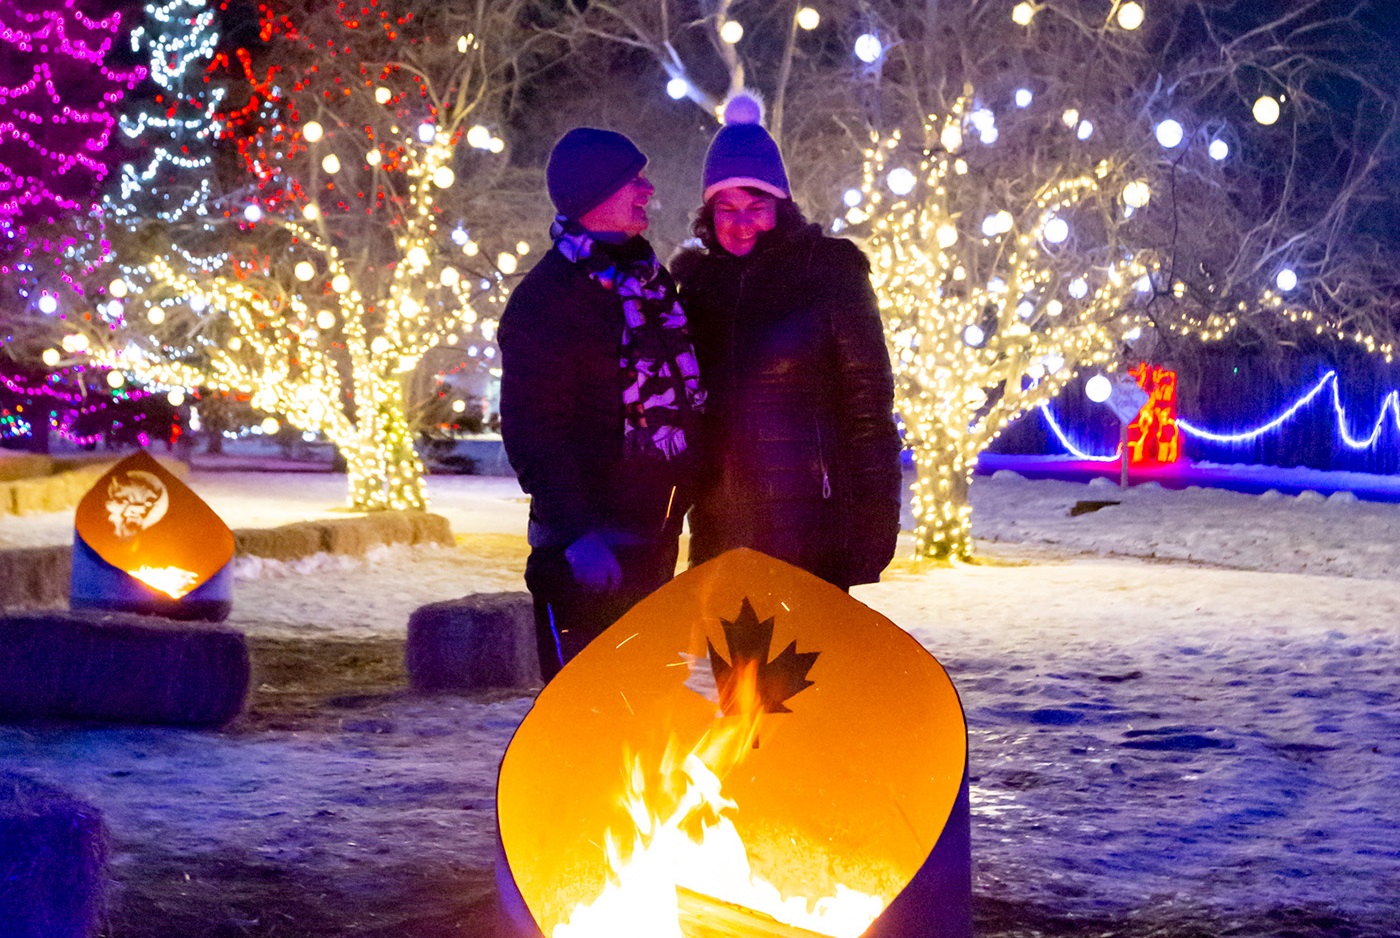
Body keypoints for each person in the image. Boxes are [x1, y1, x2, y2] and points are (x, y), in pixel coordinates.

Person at [498, 128, 707, 681]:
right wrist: (576, 533)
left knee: (651, 706)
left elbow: (683, 400)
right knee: (587, 705)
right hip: (586, 554)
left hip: (652, 536)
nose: (647, 189)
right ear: (595, 194)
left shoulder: (648, 282)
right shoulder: (547, 299)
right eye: (633, 180)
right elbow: (533, 430)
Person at [672, 94, 902, 590]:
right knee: (733, 669)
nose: (740, 223)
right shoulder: (696, 287)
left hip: (812, 530)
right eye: (725, 209)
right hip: (720, 528)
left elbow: (868, 407)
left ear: (782, 205)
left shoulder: (829, 271)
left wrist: (876, 519)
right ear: (707, 216)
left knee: (810, 667)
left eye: (757, 207)